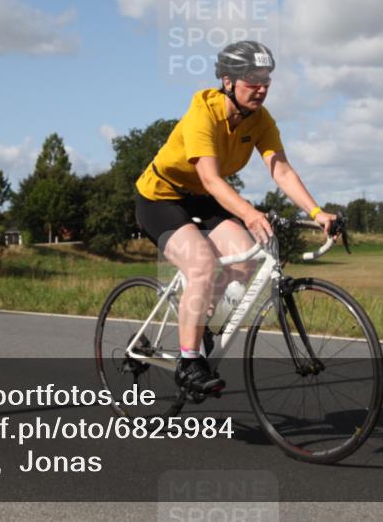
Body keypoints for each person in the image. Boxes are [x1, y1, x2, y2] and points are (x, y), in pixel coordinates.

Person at [134, 40, 339, 398]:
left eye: (266, 80)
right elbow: (212, 179)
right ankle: (188, 361)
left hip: (202, 198)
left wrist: (317, 212)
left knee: (246, 257)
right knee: (200, 263)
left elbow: (282, 170)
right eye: (252, 80)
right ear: (228, 81)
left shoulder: (260, 121)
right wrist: (248, 211)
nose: (261, 88)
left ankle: (204, 326)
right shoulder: (204, 113)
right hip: (161, 197)